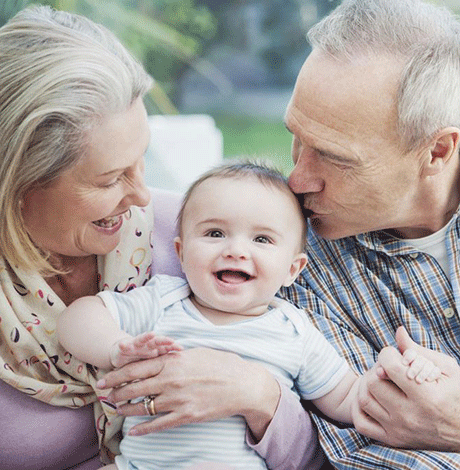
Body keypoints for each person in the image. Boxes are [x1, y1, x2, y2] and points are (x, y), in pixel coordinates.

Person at [0, 6, 322, 470]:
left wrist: (259, 396)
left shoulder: (202, 239)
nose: (141, 194)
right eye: (109, 179)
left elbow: (324, 456)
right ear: (20, 183)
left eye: (141, 160)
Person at [58, 162, 439, 470]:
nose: (236, 250)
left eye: (262, 240)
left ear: (293, 269)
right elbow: (79, 317)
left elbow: (349, 398)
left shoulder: (294, 331)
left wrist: (396, 374)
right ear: (181, 251)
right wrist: (116, 346)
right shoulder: (163, 302)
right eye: (214, 233)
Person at [278, 0, 460, 468]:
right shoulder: (289, 258)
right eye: (296, 139)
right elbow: (377, 455)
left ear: (436, 151)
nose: (297, 180)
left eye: (333, 157)